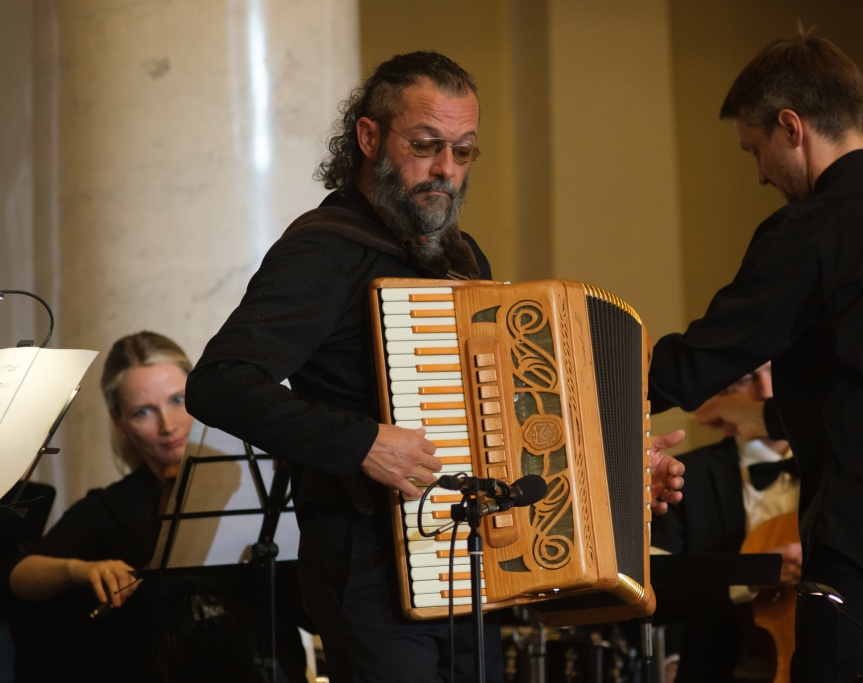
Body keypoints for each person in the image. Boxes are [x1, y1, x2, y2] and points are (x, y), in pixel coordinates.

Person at [185, 50, 684, 683]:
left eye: (463, 151)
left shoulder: (460, 255)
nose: (445, 170)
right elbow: (219, 383)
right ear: (369, 137)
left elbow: (508, 409)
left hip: (465, 559)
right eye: (426, 146)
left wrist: (614, 469)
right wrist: (362, 442)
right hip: (366, 563)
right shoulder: (324, 249)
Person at [647, 30, 863, 683]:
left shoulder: (812, 228)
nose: (757, 173)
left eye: (755, 149)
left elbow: (705, 357)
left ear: (791, 126)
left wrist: (587, 385)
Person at [4, 331, 308, 683]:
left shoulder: (258, 486)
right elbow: (19, 577)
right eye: (143, 411)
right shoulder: (110, 508)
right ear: (119, 421)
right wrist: (78, 569)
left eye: (179, 399)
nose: (168, 426)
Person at [653, 363, 800, 683]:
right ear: (722, 393)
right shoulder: (683, 476)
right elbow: (655, 593)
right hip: (724, 667)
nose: (766, 391)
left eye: (776, 372)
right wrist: (749, 578)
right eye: (748, 378)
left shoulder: (839, 467)